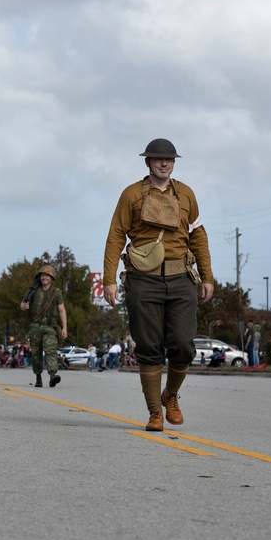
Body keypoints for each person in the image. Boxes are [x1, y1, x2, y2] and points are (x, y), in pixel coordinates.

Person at [102, 138, 214, 431]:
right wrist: (109, 279)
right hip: (143, 280)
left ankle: (171, 395)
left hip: (181, 279)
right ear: (148, 162)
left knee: (183, 345)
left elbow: (198, 236)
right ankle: (155, 412)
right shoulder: (131, 195)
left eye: (169, 160)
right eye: (157, 159)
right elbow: (116, 236)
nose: (164, 164)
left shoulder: (187, 194)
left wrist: (207, 276)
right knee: (149, 346)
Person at [20, 264, 68, 388]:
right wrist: (24, 306)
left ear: (52, 278)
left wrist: (64, 328)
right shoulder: (33, 290)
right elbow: (23, 304)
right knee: (36, 353)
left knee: (50, 350)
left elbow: (62, 310)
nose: (44, 278)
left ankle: (52, 375)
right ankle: (38, 377)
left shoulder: (56, 293)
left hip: (50, 327)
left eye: (47, 276)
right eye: (42, 275)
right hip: (35, 326)